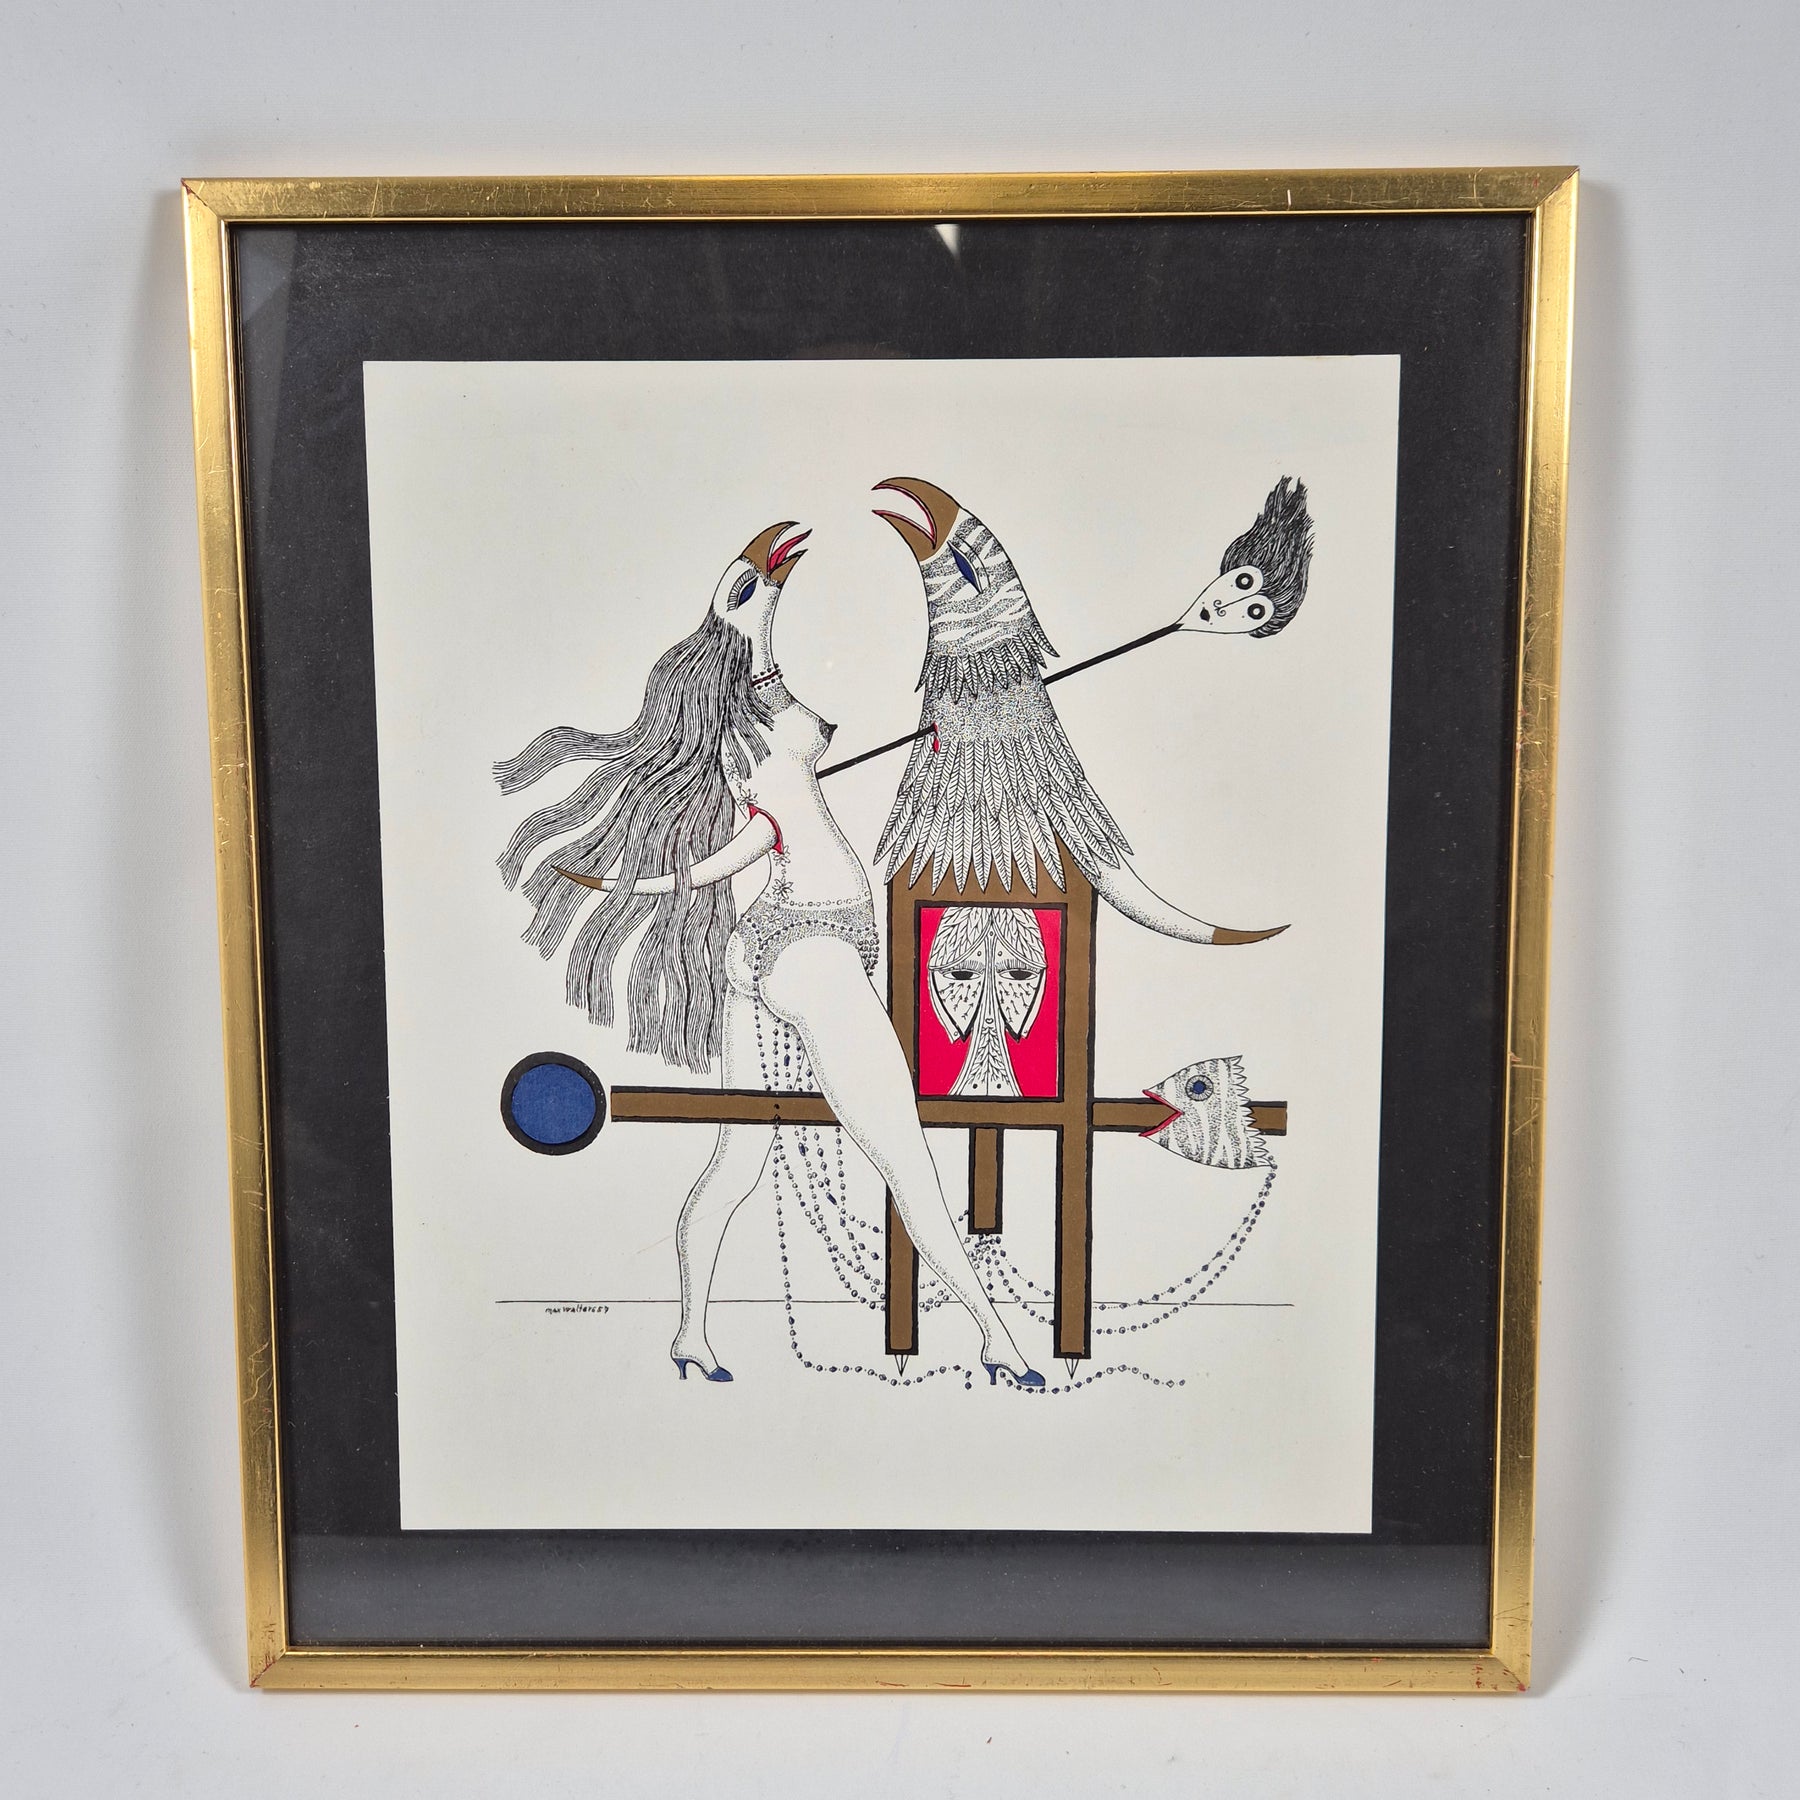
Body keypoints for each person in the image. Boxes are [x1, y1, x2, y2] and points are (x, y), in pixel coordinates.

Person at [496, 522, 1042, 1388]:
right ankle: (995, 1335)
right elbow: (729, 830)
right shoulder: (761, 750)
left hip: (781, 946)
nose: (797, 705)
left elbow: (728, 842)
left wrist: (760, 598)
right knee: (903, 1154)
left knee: (737, 1159)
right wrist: (749, 600)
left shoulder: (761, 745)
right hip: (812, 950)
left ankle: (690, 1334)